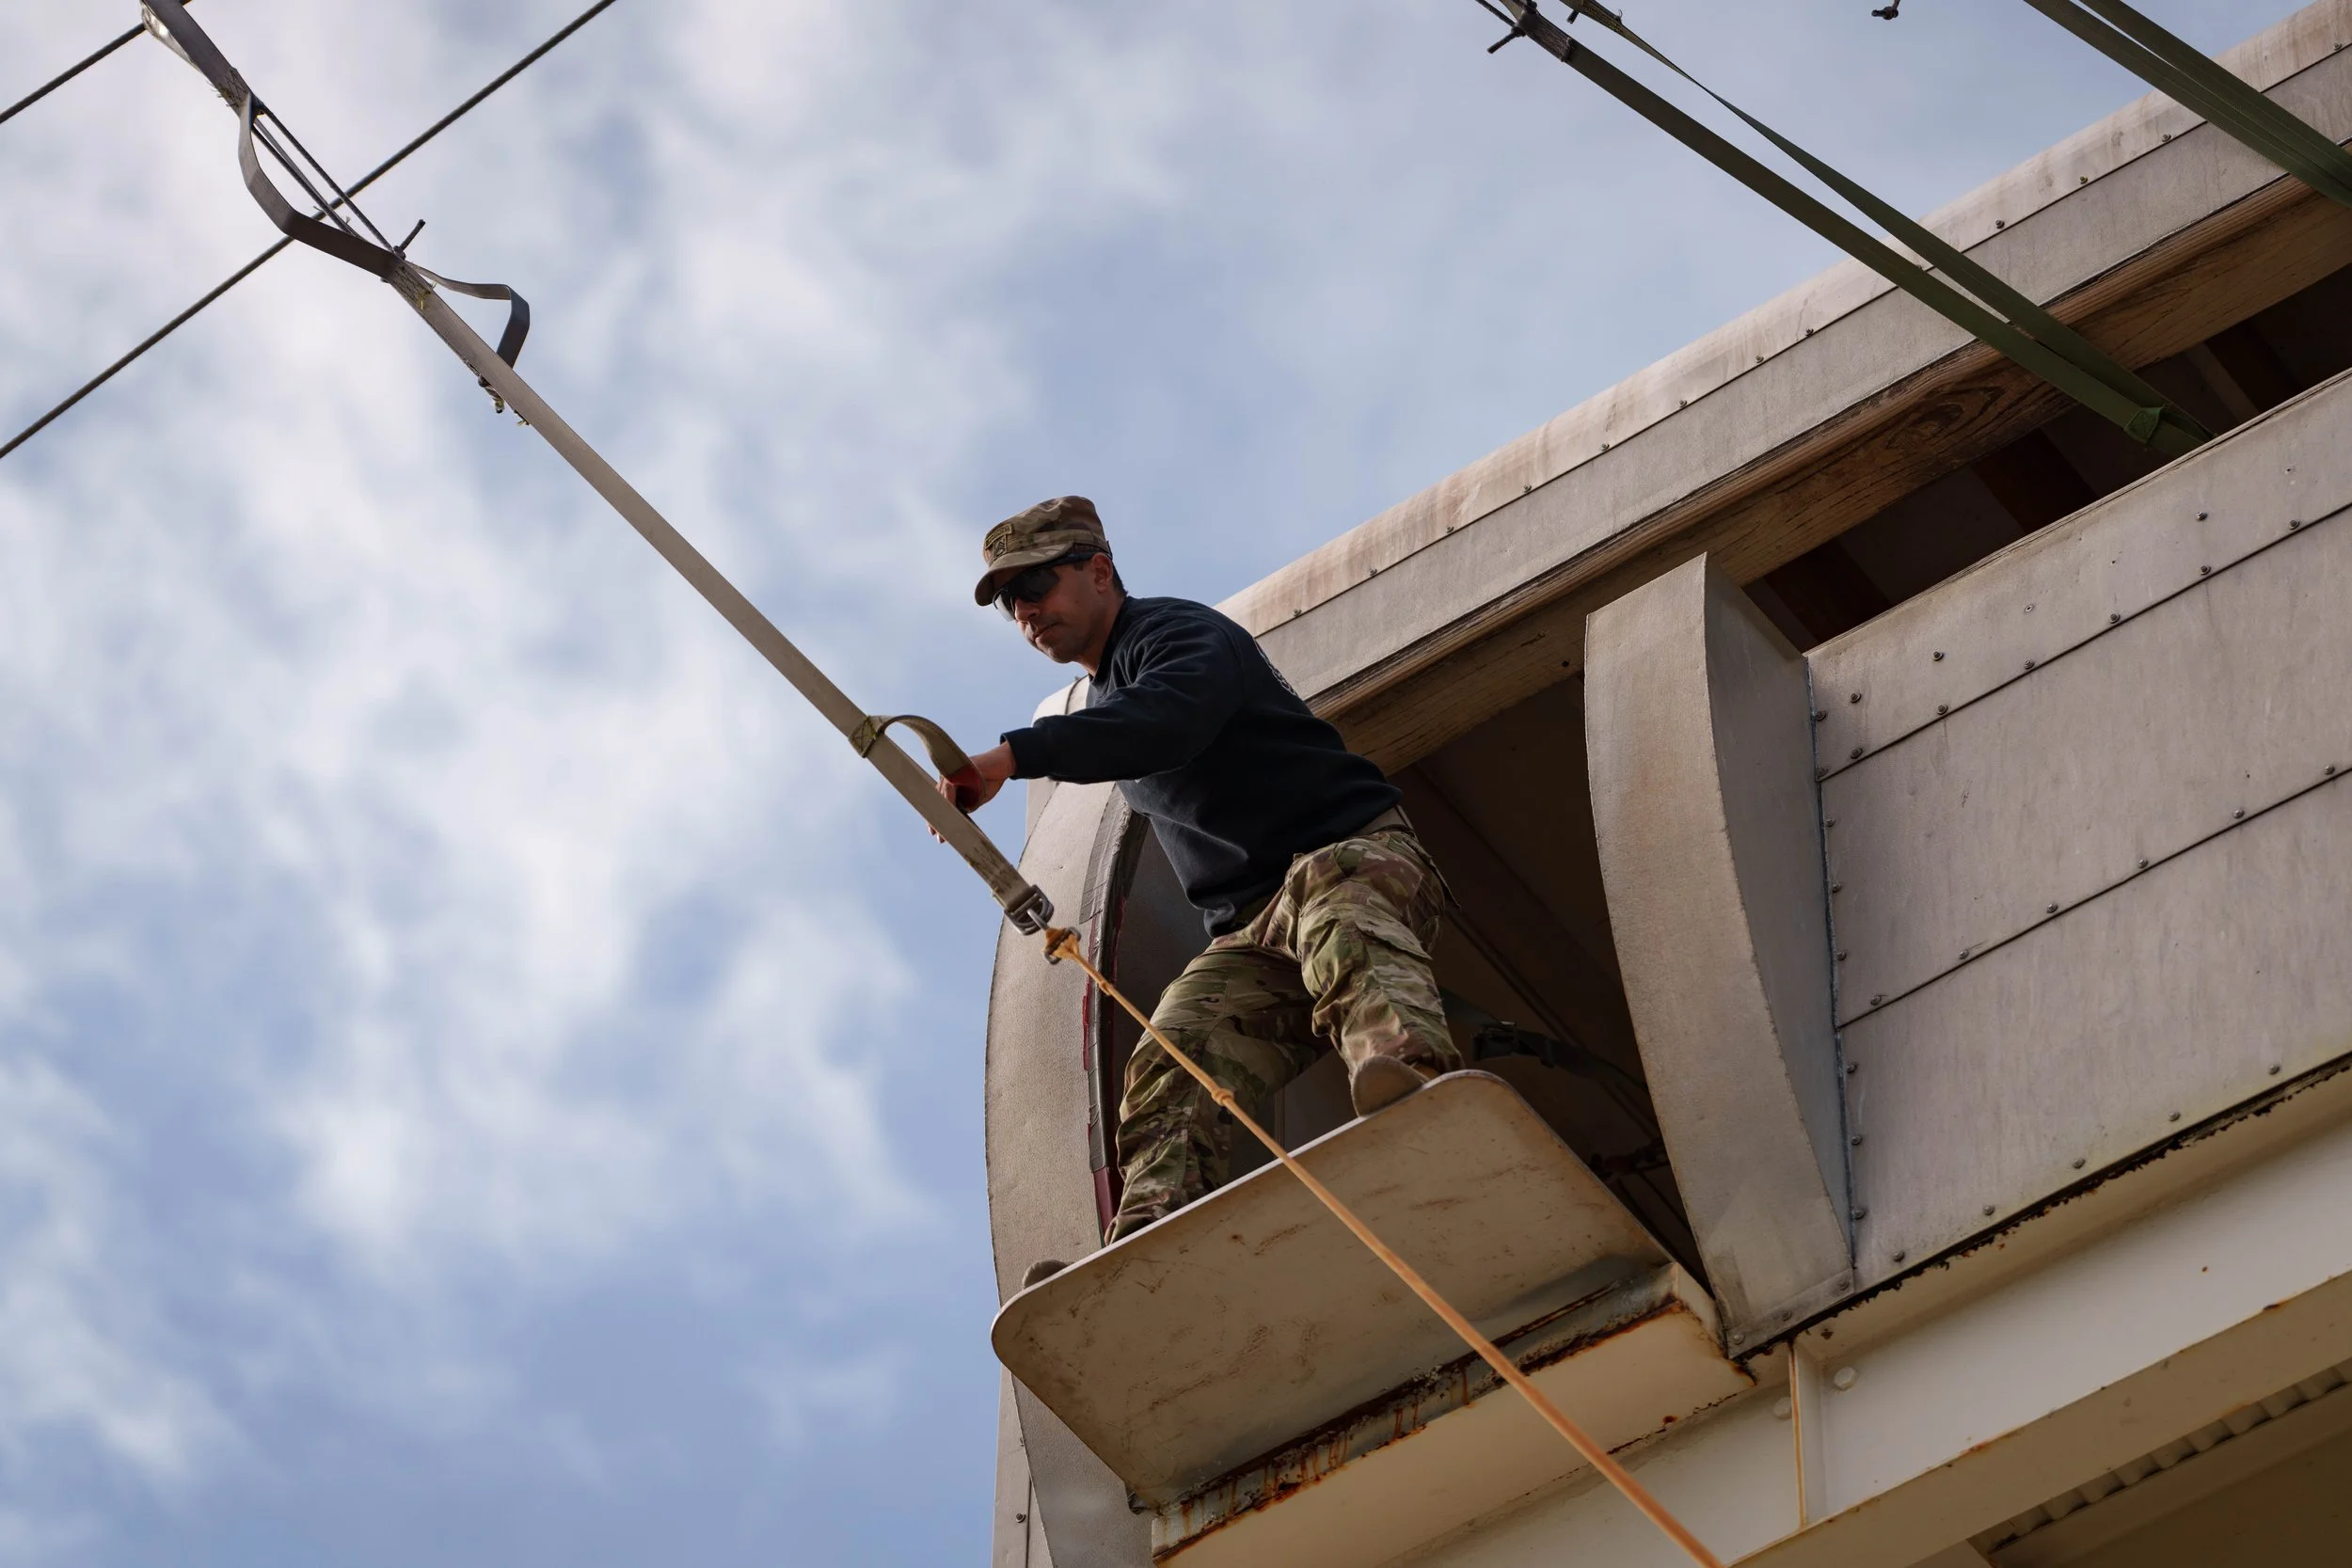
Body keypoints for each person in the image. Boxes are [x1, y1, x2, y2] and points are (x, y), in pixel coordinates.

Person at [946, 496, 1461, 1243]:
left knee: (1337, 924)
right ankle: (1154, 1235)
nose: (1025, 612)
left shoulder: (1177, 633)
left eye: (1037, 586)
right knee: (1173, 1056)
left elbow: (1166, 720)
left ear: (1098, 571)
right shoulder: (1104, 697)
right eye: (1009, 604)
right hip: (1256, 930)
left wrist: (1015, 755)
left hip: (1350, 862)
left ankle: (1416, 1086)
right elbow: (1125, 730)